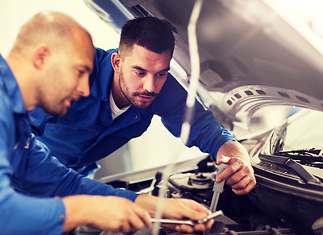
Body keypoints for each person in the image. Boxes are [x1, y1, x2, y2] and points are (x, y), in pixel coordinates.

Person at [0, 11, 213, 234]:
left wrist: (155, 205)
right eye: (79, 72)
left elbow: (65, 184)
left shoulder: (13, 118)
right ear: (42, 57)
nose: (83, 89)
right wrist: (84, 211)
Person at [30, 16, 256, 195]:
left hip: (78, 180)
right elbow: (15, 134)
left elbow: (208, 130)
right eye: (140, 72)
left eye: (161, 73)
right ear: (117, 62)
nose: (150, 86)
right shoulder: (74, 74)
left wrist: (240, 160)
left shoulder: (164, 89)